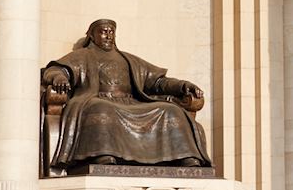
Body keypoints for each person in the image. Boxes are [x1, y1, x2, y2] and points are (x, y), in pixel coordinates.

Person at [42, 19, 211, 169]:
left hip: (132, 103)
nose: (108, 36)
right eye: (103, 32)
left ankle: (185, 157)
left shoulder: (129, 59)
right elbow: (55, 70)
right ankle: (104, 156)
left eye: (111, 32)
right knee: (102, 109)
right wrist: (58, 77)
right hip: (97, 99)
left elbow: (158, 82)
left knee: (171, 111)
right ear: (92, 36)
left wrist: (183, 86)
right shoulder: (82, 56)